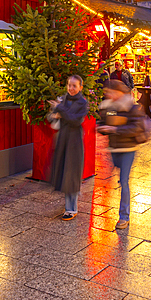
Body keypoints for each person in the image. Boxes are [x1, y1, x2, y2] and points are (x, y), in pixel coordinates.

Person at [97, 80, 146, 230]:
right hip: (113, 149)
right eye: (107, 93)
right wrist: (103, 128)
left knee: (124, 181)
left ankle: (124, 217)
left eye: (111, 92)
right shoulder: (110, 107)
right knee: (117, 180)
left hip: (128, 149)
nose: (109, 95)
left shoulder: (131, 107)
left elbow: (135, 128)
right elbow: (105, 123)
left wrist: (115, 130)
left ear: (120, 92)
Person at [48, 75, 89, 220]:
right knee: (65, 172)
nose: (71, 88)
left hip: (74, 142)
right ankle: (68, 206)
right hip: (63, 140)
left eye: (74, 86)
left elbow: (75, 120)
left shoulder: (82, 103)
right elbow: (52, 116)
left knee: (72, 173)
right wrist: (56, 114)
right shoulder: (63, 99)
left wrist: (60, 111)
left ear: (80, 87)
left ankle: (71, 209)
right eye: (69, 85)